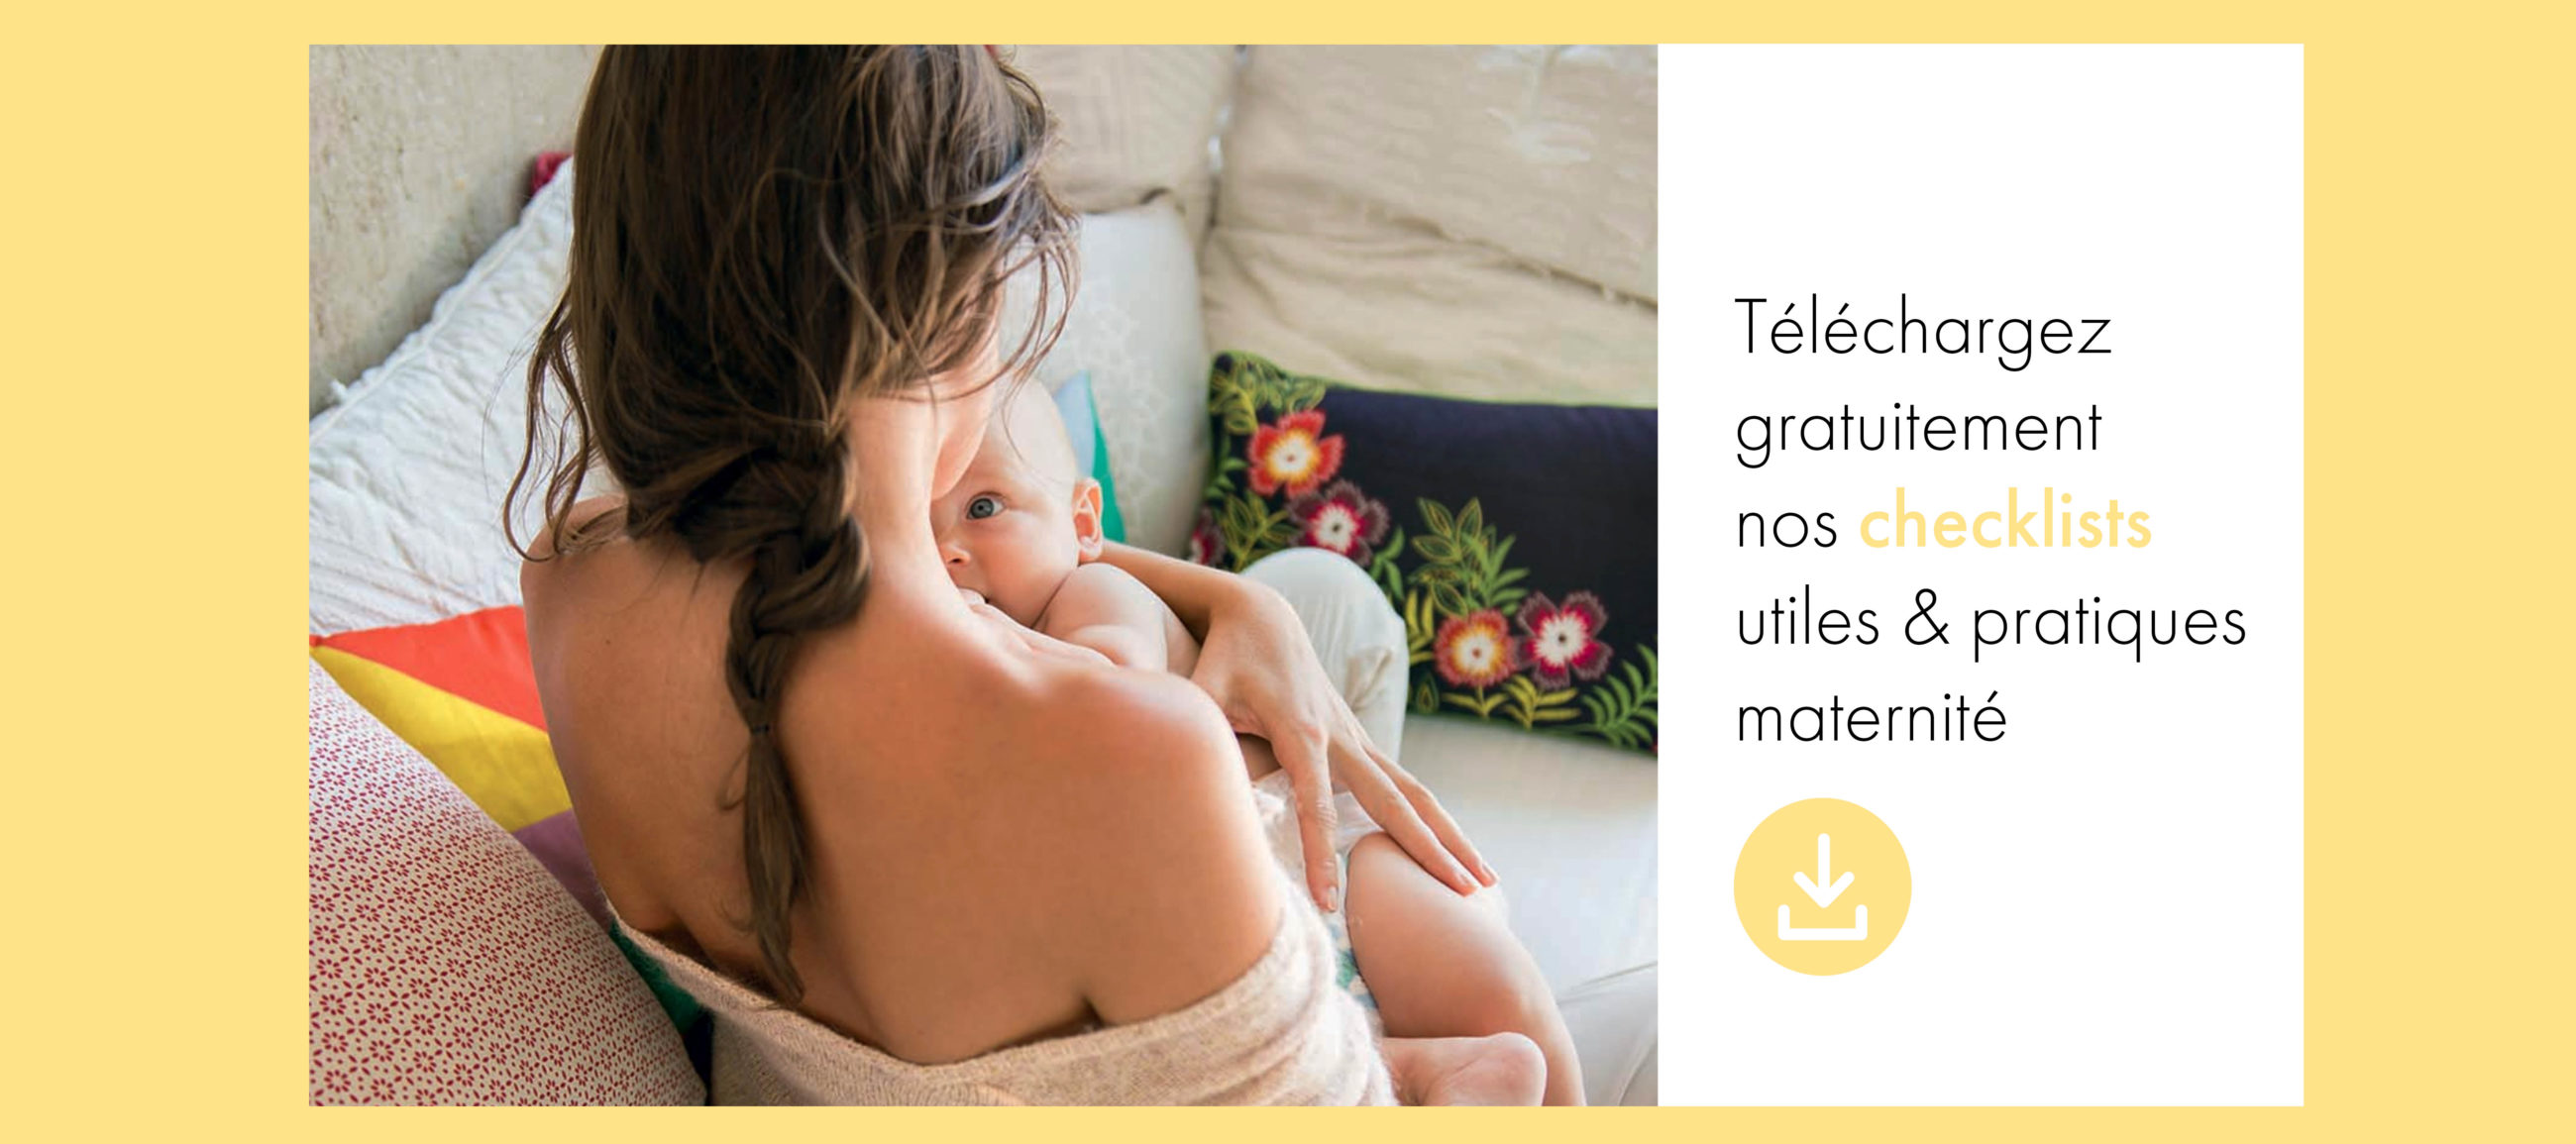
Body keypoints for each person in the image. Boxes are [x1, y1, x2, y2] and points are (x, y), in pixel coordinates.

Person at [509, 45, 1528, 1105]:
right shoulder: (1134, 759)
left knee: (1313, 599)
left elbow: (828, 544)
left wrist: (1232, 596)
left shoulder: (573, 588)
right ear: (959, 299)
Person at [930, 385, 1585, 1102]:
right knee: (1333, 1056)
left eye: (983, 508)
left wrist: (995, 634)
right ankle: (1427, 1066)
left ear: (1085, 522)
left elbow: (1116, 699)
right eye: (919, 533)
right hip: (1249, 929)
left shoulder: (1093, 595)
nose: (949, 553)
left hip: (1327, 861)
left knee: (1503, 1002)